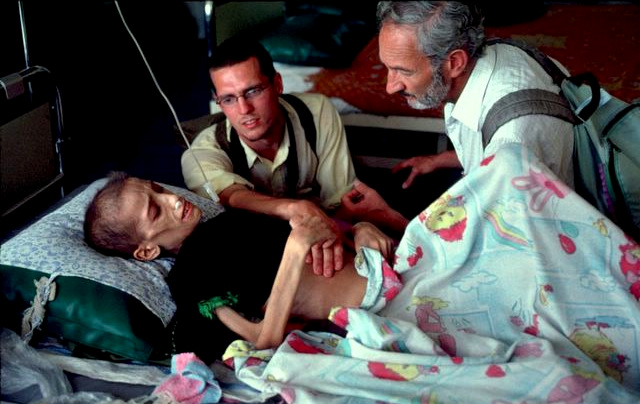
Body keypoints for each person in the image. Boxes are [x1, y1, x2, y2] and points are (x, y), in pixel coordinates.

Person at [84, 172, 399, 363]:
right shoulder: (189, 277)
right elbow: (262, 338)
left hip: (391, 261)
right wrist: (295, 249)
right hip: (381, 300)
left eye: (159, 189)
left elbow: (324, 232)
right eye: (155, 210)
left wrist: (360, 229)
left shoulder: (229, 219)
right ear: (146, 250)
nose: (173, 199)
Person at [180, 36, 407, 277]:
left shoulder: (316, 113)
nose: (244, 110)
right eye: (229, 99)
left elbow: (343, 202)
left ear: (277, 84)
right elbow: (231, 196)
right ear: (219, 102)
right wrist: (296, 208)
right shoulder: (201, 153)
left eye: (253, 91)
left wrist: (362, 224)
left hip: (325, 239)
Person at [375, 1, 574, 191]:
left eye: (404, 71)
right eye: (388, 67)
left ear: (455, 62)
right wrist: (439, 160)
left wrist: (385, 217)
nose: (390, 87)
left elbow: (505, 225)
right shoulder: (501, 53)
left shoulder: (511, 139)